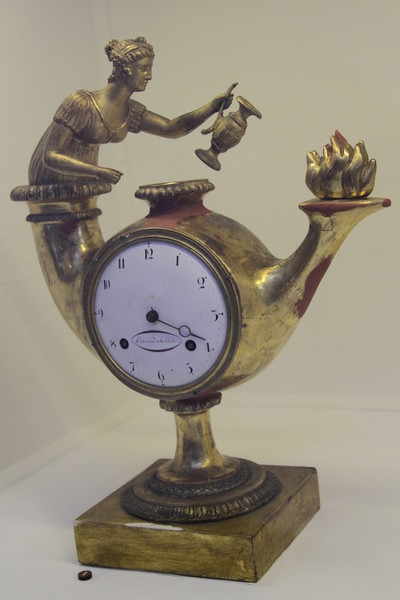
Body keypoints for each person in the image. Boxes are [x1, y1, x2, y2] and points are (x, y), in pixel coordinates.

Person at [28, 37, 233, 186]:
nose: (149, 76)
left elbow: (171, 128)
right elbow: (50, 155)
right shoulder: (81, 103)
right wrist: (98, 171)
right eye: (144, 69)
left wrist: (212, 107)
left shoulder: (130, 111)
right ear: (126, 68)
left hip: (83, 183)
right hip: (49, 183)